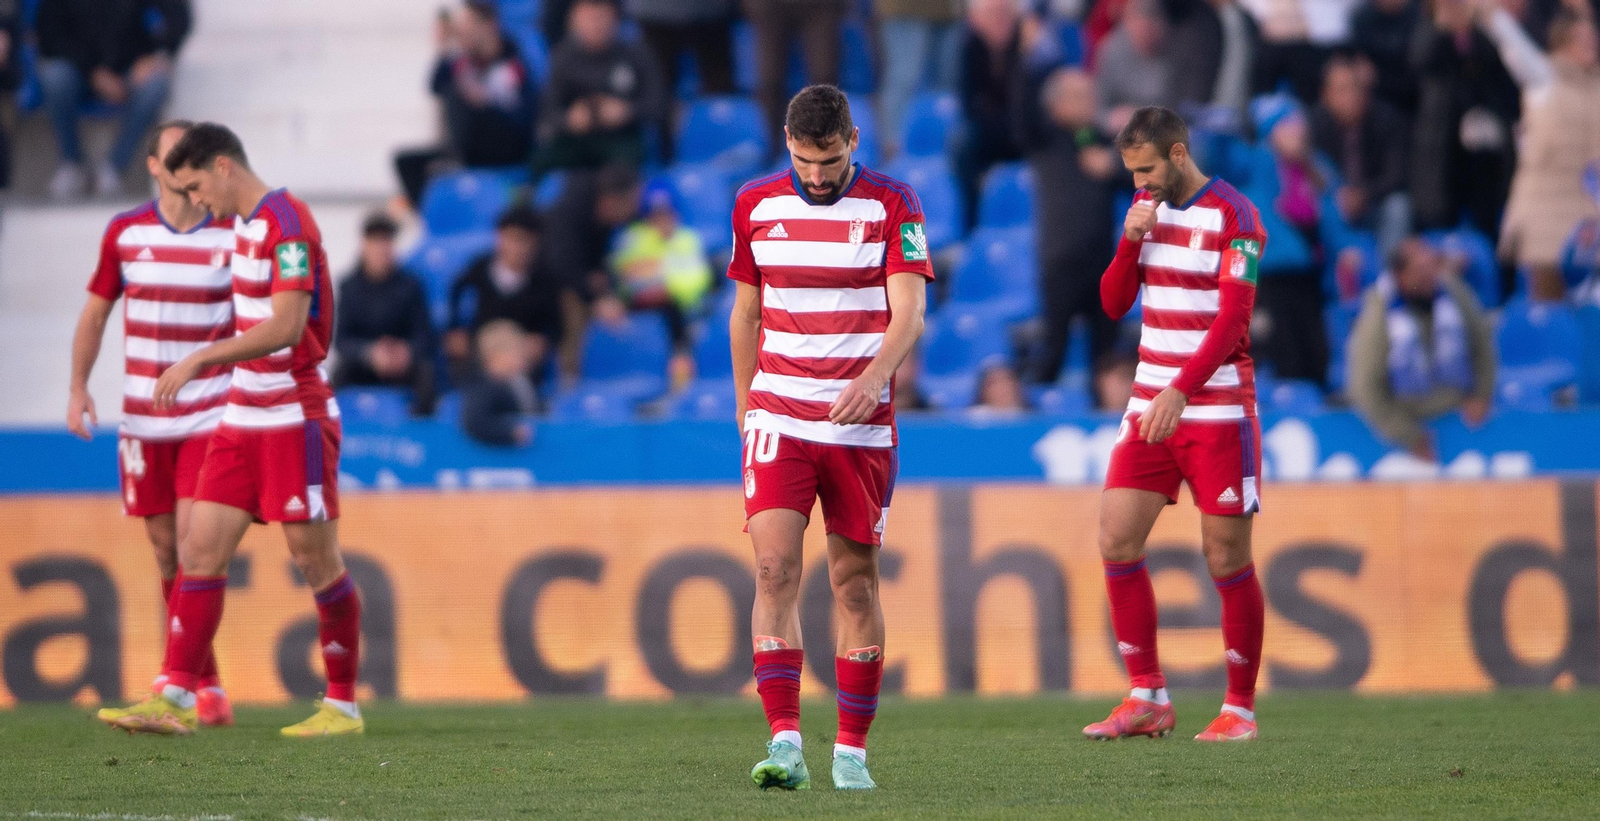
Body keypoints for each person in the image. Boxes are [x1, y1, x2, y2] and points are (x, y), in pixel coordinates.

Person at [97, 123, 362, 737]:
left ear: (222, 167)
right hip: (243, 415)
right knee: (198, 550)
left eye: (194, 187)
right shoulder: (241, 227)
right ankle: (177, 696)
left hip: (294, 414)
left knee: (315, 560)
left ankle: (342, 705)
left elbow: (289, 326)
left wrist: (198, 359)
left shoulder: (286, 225)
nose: (194, 202)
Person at [731, 85, 931, 791]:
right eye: (803, 161)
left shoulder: (894, 204)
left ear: (853, 140)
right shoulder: (755, 203)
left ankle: (851, 750)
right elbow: (747, 312)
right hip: (780, 417)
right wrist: (746, 408)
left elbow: (909, 312)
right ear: (786, 142)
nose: (816, 176)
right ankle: (785, 741)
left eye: (828, 160)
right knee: (773, 570)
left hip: (859, 426)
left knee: (852, 582)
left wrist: (875, 378)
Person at [1093, 106, 1269, 742]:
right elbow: (1114, 302)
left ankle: (1240, 709)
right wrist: (1130, 238)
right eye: (1131, 173)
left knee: (1225, 556)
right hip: (1150, 403)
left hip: (1217, 408)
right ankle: (1147, 696)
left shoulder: (1236, 216)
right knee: (1116, 538)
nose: (1139, 183)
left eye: (1146, 170)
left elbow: (1233, 322)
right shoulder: (1145, 213)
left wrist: (1180, 390)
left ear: (1177, 152)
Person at [72, 121, 234, 730]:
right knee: (168, 554)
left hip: (208, 414)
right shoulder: (126, 232)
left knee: (197, 545)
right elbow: (96, 313)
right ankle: (205, 684)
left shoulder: (228, 233)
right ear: (152, 165)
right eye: (174, 156)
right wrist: (77, 387)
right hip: (143, 420)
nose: (183, 165)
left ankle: (175, 688)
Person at [1480, 0, 1600, 300]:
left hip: (1588, 213)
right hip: (1545, 212)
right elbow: (1510, 40)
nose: (1590, 45)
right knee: (1548, 305)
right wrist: (1487, 11)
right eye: (1581, 39)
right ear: (1562, 42)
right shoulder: (1542, 76)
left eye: (1592, 38)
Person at [1018, 66, 1124, 386]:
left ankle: (1106, 421)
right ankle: (1033, 418)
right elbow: (1019, 111)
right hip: (1061, 259)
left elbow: (1146, 182)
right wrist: (1031, 56)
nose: (1089, 103)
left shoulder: (1104, 141)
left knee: (1106, 356)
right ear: (1056, 105)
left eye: (1090, 95)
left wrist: (1113, 168)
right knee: (1054, 348)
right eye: (1078, 97)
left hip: (1103, 261)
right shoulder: (1045, 139)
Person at [1347, 237, 1496, 459]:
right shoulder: (1378, 316)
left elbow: (1482, 346)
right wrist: (1408, 435)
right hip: (1407, 418)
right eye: (1420, 271)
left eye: (1432, 267)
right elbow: (1365, 386)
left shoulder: (1453, 291)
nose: (1429, 278)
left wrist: (1482, 395)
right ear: (1400, 276)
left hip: (1459, 411)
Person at [36, 0, 190, 200]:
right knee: (54, 77)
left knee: (156, 86)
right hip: (78, 69)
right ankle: (71, 163)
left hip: (130, 68)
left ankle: (114, 168)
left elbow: (179, 16)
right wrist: (93, 72)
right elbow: (48, 33)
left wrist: (156, 55)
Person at [394, 0, 538, 207]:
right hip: (468, 145)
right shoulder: (463, 62)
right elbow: (435, 86)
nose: (464, 33)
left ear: (488, 26)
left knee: (461, 95)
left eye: (469, 26)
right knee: (407, 163)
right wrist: (443, 50)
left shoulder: (513, 63)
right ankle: (432, 213)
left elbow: (525, 117)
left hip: (507, 146)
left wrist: (486, 103)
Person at [1409, 0, 1520, 236]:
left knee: (1486, 214)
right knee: (1443, 215)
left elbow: (1500, 68)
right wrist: (1442, 25)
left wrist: (1480, 23)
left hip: (1484, 142)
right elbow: (1420, 59)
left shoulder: (1481, 34)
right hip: (1442, 142)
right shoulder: (1428, 30)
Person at [535, 0, 664, 174]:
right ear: (574, 20)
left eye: (602, 16)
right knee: (542, 158)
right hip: (576, 138)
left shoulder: (636, 53)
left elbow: (660, 103)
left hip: (621, 138)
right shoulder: (562, 57)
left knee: (624, 167)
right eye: (589, 17)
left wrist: (628, 111)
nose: (597, 24)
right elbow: (547, 111)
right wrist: (570, 118)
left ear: (615, 18)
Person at [446, 206, 567, 387]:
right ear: (500, 238)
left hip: (522, 360)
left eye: (525, 240)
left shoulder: (545, 282)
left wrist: (542, 343)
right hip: (480, 355)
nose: (518, 248)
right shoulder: (478, 271)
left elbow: (556, 328)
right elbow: (456, 299)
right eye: (512, 238)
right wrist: (455, 330)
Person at [332, 213, 438, 417]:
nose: (381, 249)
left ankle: (420, 435)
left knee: (426, 375)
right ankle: (334, 435)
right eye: (375, 242)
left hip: (402, 363)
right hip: (365, 365)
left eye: (386, 242)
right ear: (364, 246)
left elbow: (425, 336)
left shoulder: (411, 285)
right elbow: (342, 341)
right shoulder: (349, 286)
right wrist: (370, 352)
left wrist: (405, 352)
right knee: (337, 376)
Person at [1310, 53, 1412, 261]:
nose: (1351, 97)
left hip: (1373, 201)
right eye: (1342, 90)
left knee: (1398, 206)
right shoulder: (1314, 125)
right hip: (1332, 202)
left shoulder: (1387, 120)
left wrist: (1364, 194)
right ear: (1326, 95)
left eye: (1356, 88)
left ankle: (1387, 282)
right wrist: (1337, 194)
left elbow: (1397, 174)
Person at [606, 177, 713, 345]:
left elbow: (699, 279)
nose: (662, 220)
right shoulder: (632, 239)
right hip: (636, 304)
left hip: (678, 307)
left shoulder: (687, 239)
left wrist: (666, 284)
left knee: (690, 315)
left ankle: (681, 358)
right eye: (656, 214)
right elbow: (621, 275)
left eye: (666, 213)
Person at [629, 0, 736, 161]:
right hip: (653, 15)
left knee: (720, 94)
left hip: (712, 13)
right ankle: (666, 157)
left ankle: (727, 149)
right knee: (659, 91)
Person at [744, 0, 849, 152]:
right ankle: (771, 150)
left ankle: (824, 146)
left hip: (820, 7)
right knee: (769, 82)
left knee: (825, 79)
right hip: (770, 6)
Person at [875, 0, 965, 160]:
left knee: (947, 88)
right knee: (904, 79)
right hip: (905, 9)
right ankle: (893, 152)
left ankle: (947, 145)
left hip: (950, 11)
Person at [461, 320, 539, 446]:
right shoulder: (481, 385)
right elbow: (475, 421)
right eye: (515, 352)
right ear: (495, 355)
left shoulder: (519, 382)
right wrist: (510, 432)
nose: (522, 358)